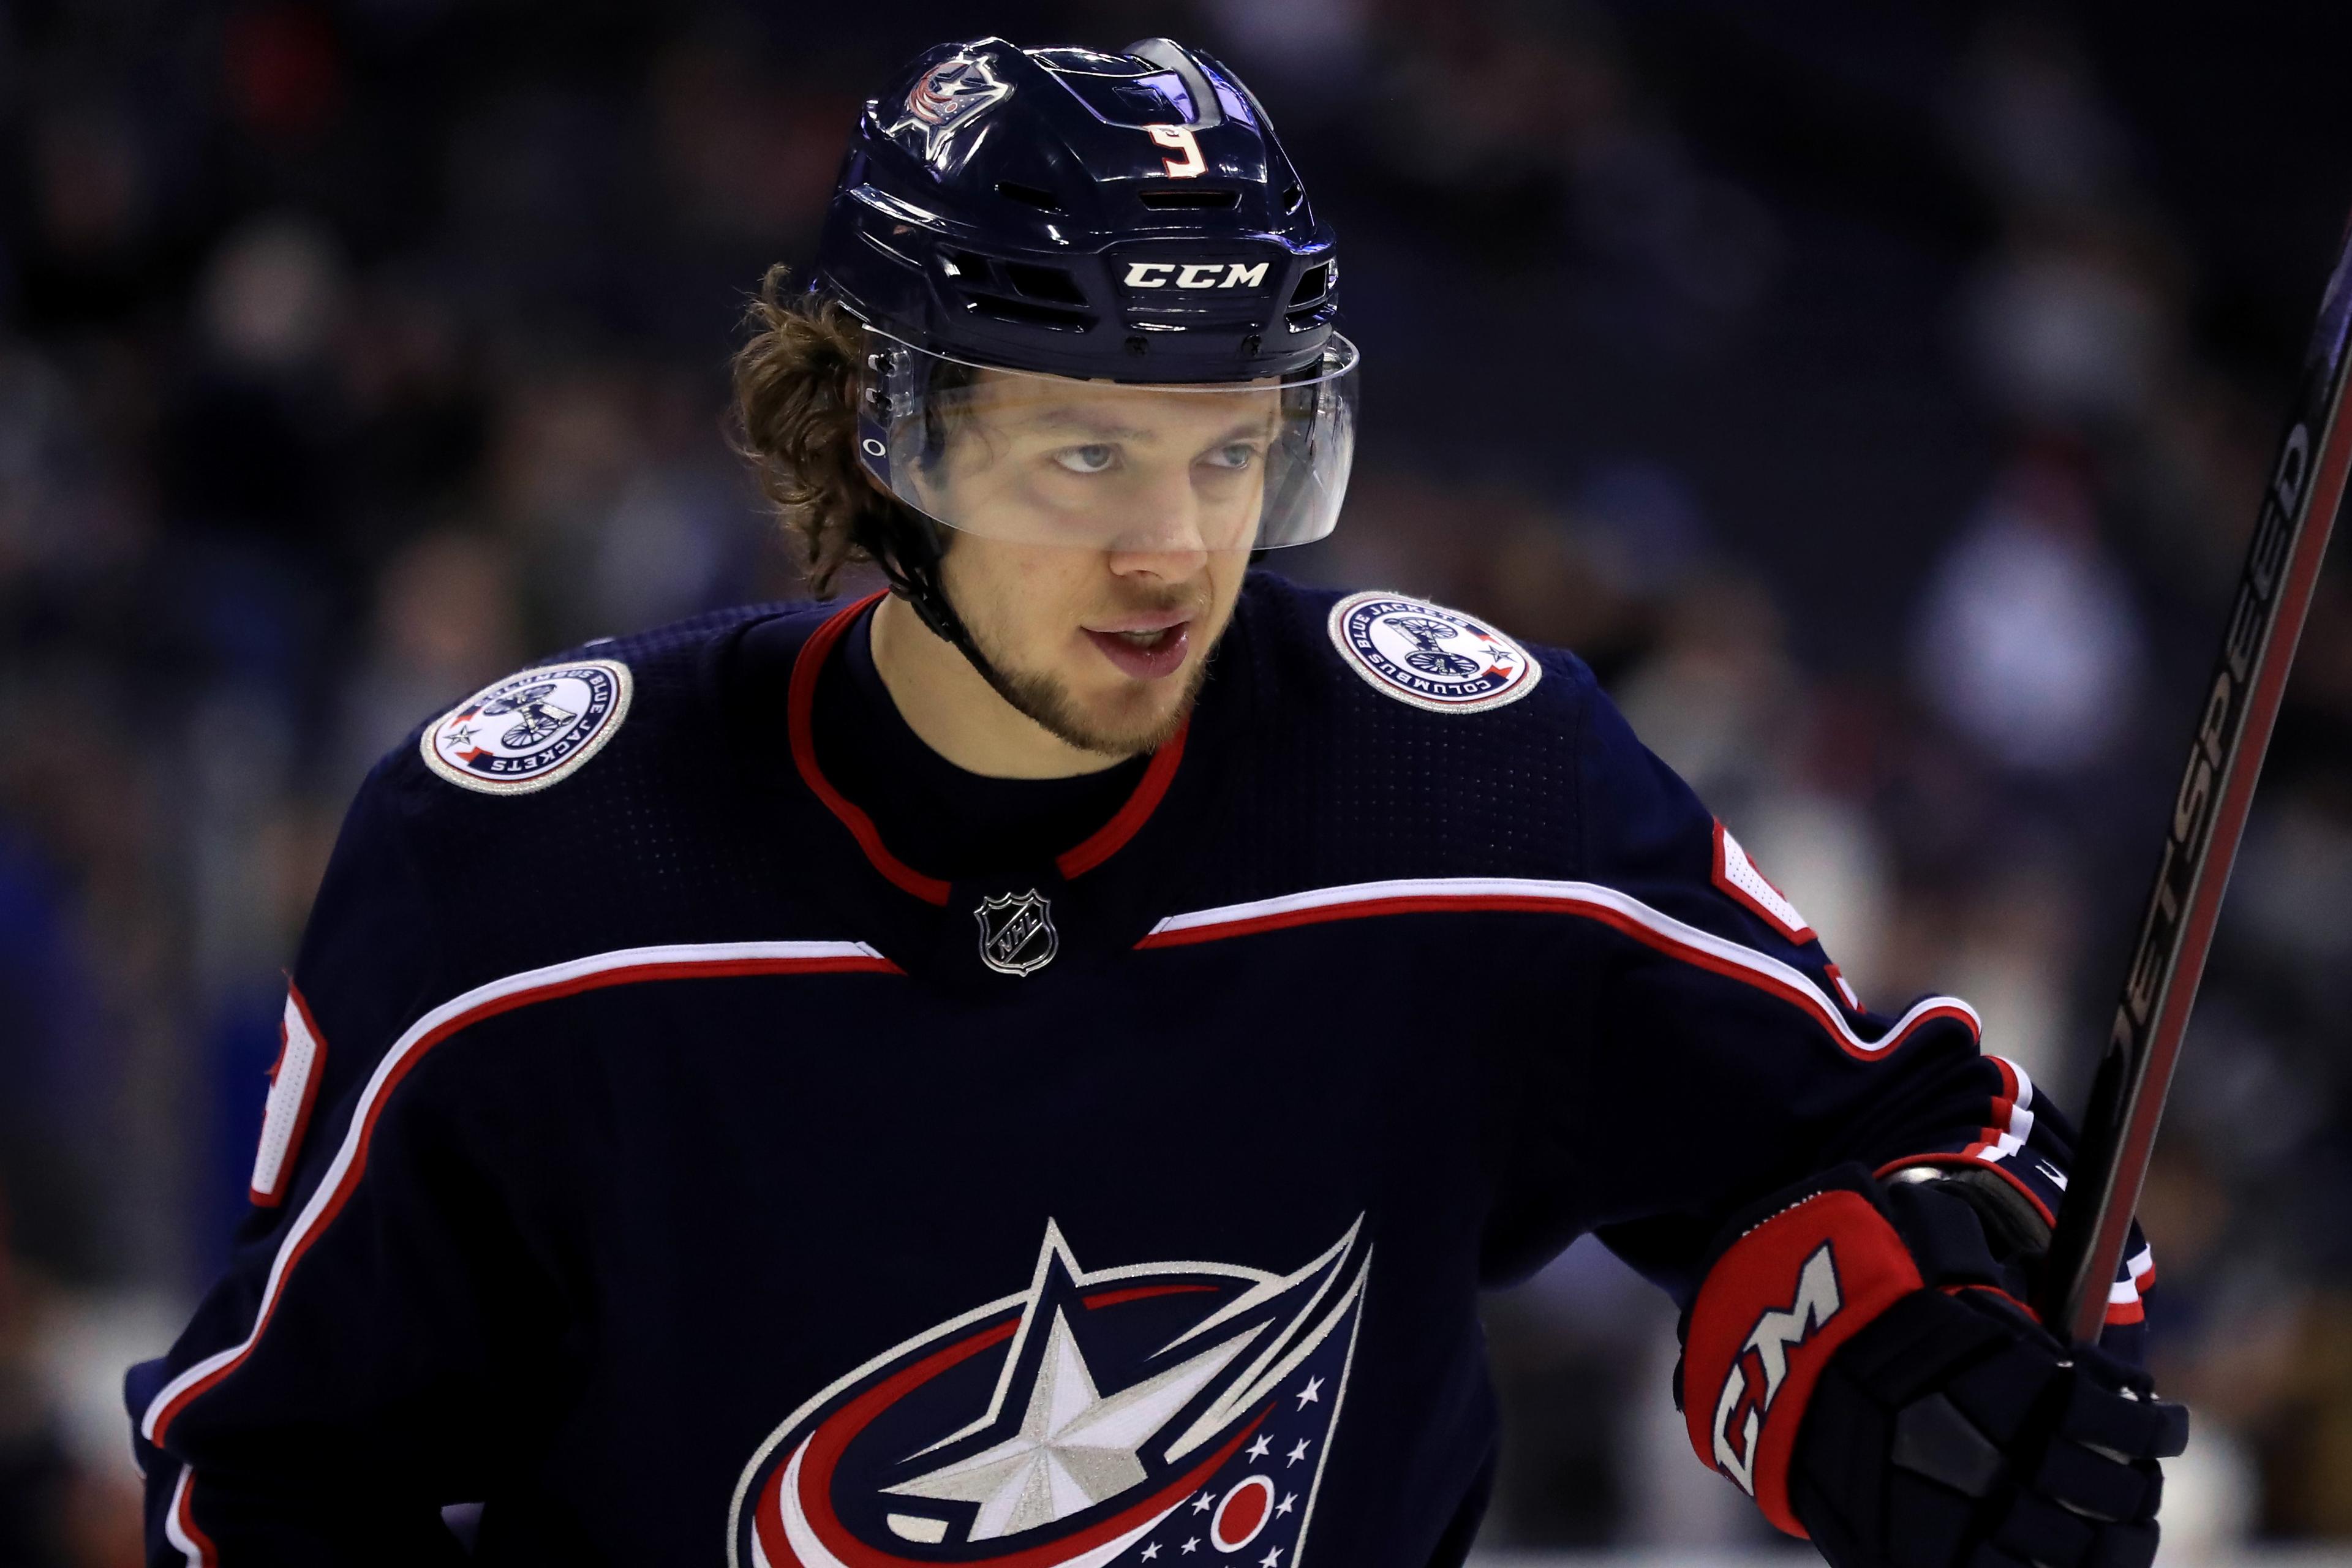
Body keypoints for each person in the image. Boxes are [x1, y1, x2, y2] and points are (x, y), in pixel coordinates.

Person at [125, 37, 2182, 1568]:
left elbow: (1912, 1142)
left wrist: (1903, 1372)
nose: (1174, 554)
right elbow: (275, 1479)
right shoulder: (536, 862)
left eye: (1228, 452)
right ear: (872, 432)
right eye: (1084, 454)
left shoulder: (1465, 784)